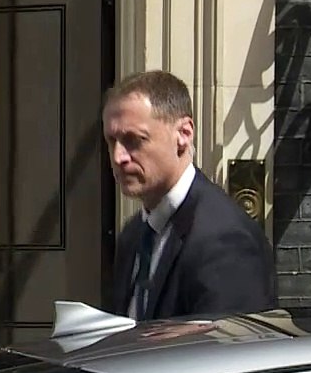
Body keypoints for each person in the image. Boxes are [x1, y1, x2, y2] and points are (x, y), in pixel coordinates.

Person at [105, 70, 275, 320]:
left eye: (134, 140)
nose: (118, 157)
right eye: (112, 141)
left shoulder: (225, 241)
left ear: (183, 134)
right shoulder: (133, 236)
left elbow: (228, 353)